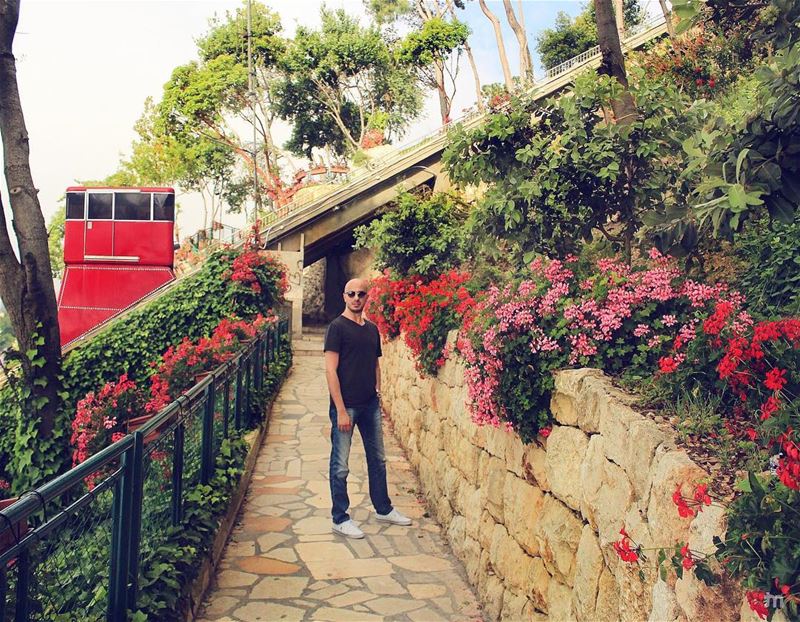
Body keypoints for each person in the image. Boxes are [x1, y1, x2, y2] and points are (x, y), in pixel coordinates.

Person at [323, 278, 412, 538]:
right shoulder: (336, 328)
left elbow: (375, 364)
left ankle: (383, 508)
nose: (356, 298)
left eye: (361, 294)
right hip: (346, 407)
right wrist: (339, 409)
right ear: (344, 296)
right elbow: (330, 370)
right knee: (340, 465)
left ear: (366, 297)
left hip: (369, 405)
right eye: (351, 293)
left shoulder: (372, 330)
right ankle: (340, 517)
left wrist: (378, 393)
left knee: (378, 459)